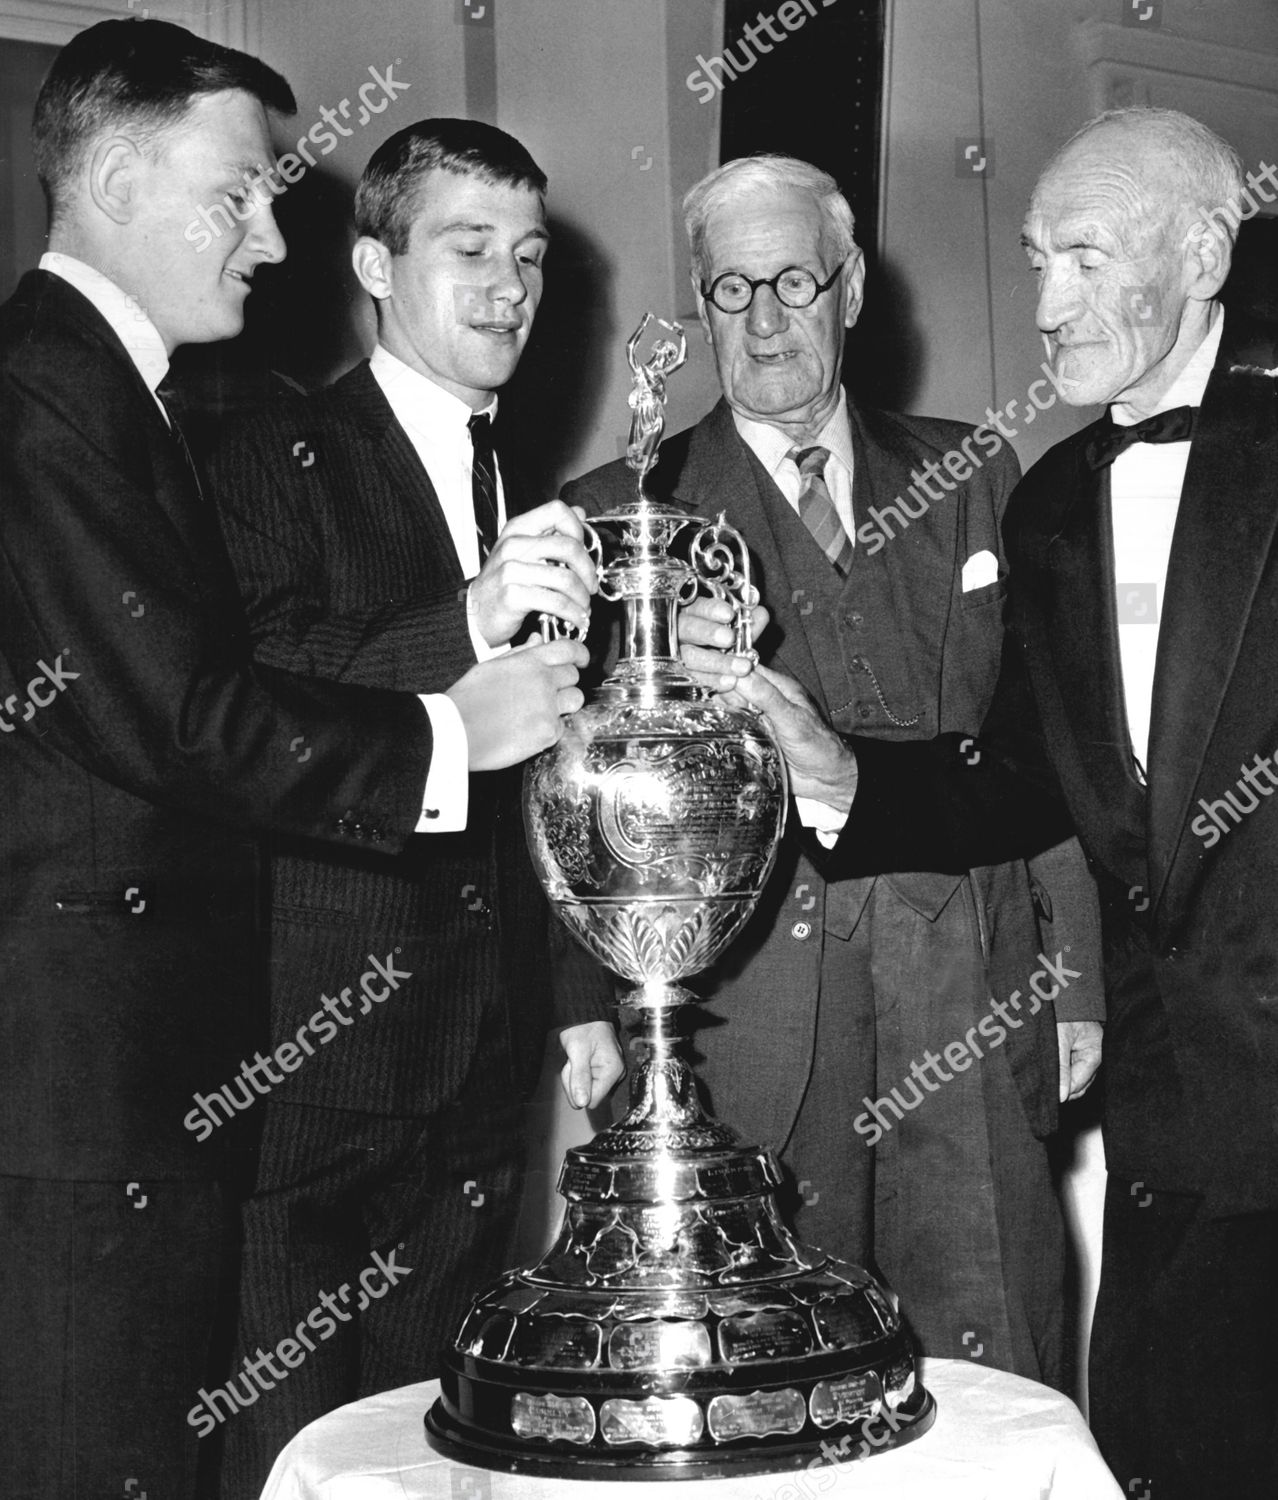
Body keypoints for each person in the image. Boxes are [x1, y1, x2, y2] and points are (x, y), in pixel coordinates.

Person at [0, 22, 593, 1498]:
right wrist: (455, 722)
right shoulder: (72, 396)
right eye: (240, 192)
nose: (273, 233)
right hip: (148, 1079)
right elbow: (189, 714)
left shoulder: (113, 393)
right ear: (121, 178)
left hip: (251, 1072)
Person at [720, 111, 1278, 1500]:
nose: (1041, 307)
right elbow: (1028, 777)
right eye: (1034, 261)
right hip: (1180, 1116)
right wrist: (841, 773)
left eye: (1083, 260)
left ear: (1203, 254)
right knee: (1159, 1447)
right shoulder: (1050, 503)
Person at [562, 154, 1104, 1388]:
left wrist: (1077, 978)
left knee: (994, 1367)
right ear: (699, 308)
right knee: (754, 1381)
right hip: (737, 1025)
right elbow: (575, 785)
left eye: (793, 280)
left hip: (973, 996)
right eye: (730, 288)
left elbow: (1045, 747)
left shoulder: (978, 476)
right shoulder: (619, 512)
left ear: (851, 288)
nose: (762, 320)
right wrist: (580, 1002)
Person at [206, 118, 623, 1494]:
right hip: (315, 1052)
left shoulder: (521, 479)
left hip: (478, 1047)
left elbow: (541, 756)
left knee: (429, 1444)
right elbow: (256, 699)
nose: (507, 284)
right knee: (297, 1456)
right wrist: (462, 619)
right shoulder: (271, 449)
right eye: (467, 249)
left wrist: (571, 992)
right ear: (376, 264)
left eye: (528, 255)